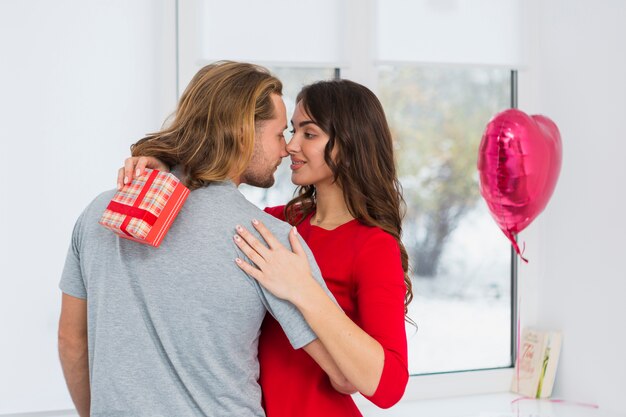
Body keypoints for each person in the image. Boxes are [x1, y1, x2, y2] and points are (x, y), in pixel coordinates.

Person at [58, 61, 349, 417]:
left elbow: (72, 342)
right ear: (244, 133)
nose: (286, 148)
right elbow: (344, 372)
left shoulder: (102, 211)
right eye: (278, 134)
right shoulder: (265, 240)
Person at [122, 79, 412, 416]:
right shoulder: (274, 224)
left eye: (309, 134)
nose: (290, 146)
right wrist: (164, 168)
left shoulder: (374, 246)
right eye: (291, 131)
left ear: (348, 144)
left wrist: (304, 289)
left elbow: (388, 387)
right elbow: (206, 217)